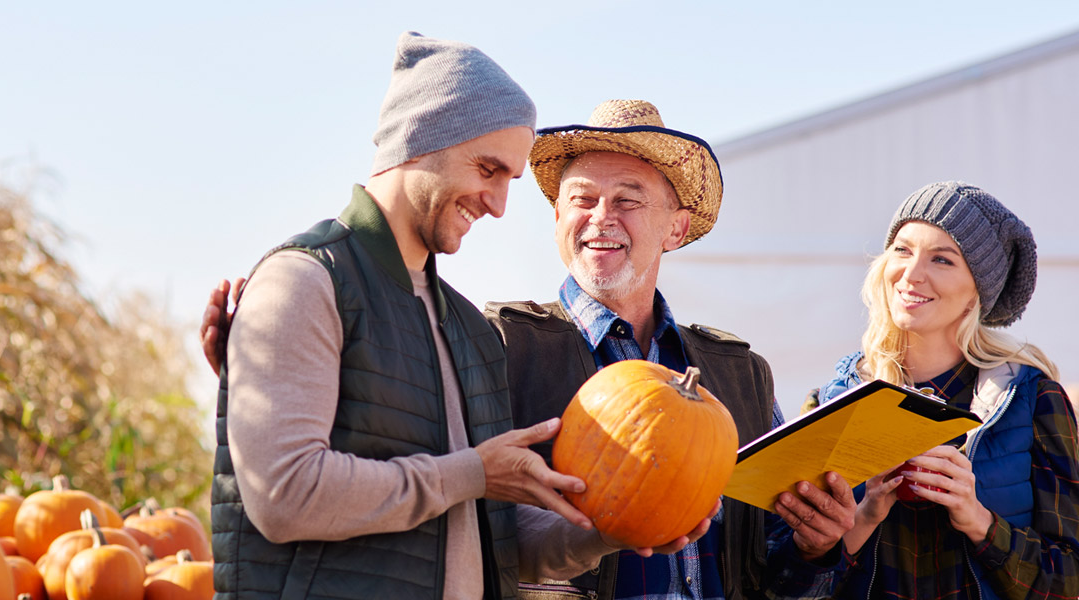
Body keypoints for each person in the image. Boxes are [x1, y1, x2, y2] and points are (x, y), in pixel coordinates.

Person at [206, 99, 858, 600]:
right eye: (582, 199)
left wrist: (816, 546)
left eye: (628, 201)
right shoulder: (490, 343)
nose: (602, 217)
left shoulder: (739, 374)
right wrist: (267, 367)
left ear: (677, 228)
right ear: (556, 220)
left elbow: (780, 571)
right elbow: (381, 461)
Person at [213, 32, 596, 600]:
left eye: (509, 180)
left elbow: (490, 539)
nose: (498, 204)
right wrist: (469, 472)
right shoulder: (303, 282)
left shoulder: (472, 332)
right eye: (488, 168)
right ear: (419, 140)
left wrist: (618, 524)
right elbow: (285, 494)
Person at [809, 181, 1079, 599]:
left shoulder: (1033, 400)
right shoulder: (832, 401)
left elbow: (1069, 580)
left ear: (978, 292)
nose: (911, 274)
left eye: (941, 259)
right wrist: (864, 517)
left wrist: (978, 521)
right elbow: (781, 582)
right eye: (902, 250)